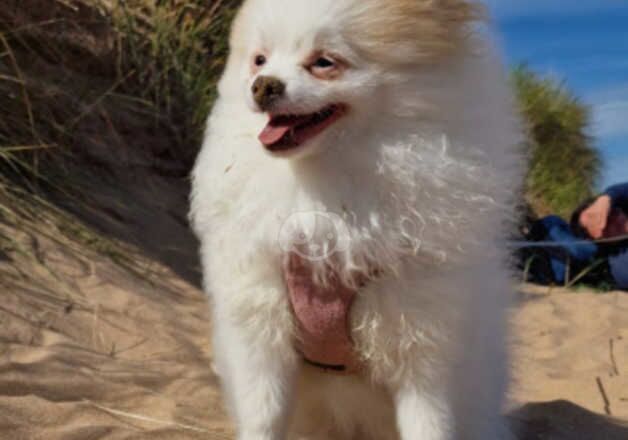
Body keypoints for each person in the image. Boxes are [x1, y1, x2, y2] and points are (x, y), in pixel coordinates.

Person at [570, 182, 628, 289]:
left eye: (611, 212)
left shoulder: (622, 205)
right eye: (604, 226)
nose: (615, 221)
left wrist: (607, 197)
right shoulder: (620, 265)